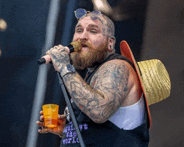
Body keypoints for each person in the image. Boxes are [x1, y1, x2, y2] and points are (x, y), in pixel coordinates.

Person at [37, 8, 150, 147]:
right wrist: (69, 128)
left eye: (93, 31)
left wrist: (64, 67)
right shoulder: (93, 74)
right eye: (79, 30)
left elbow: (99, 111)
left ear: (110, 43)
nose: (82, 37)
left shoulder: (117, 67)